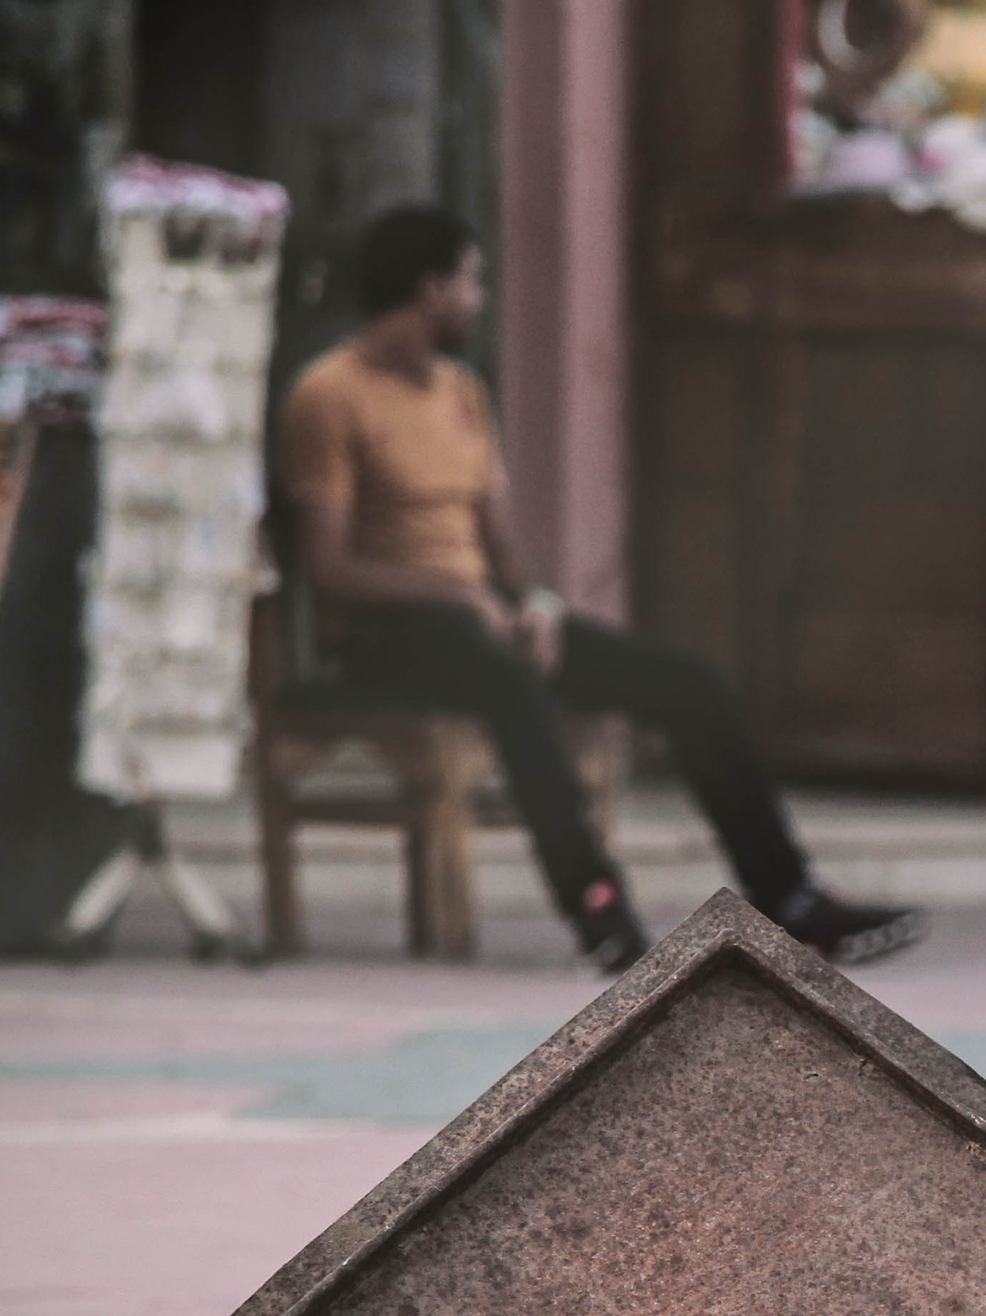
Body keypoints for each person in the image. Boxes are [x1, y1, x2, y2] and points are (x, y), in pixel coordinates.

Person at [277, 204, 926, 973]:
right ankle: (598, 904)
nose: (478, 300)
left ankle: (791, 900)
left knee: (692, 686)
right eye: (471, 282)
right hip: (385, 638)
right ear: (430, 290)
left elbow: (502, 545)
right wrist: (463, 601)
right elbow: (331, 568)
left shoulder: (462, 392)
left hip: (481, 622)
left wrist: (537, 604)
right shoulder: (327, 394)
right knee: (511, 683)